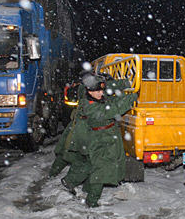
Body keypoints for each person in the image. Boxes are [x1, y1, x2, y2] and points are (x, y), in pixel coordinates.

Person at [51, 72, 138, 207]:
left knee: (90, 165)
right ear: (88, 90)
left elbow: (110, 97)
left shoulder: (96, 96)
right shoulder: (89, 104)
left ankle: (78, 186)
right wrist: (129, 98)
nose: (100, 93)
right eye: (97, 91)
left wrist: (125, 85)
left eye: (101, 90)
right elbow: (110, 110)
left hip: (102, 138)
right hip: (98, 139)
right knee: (100, 169)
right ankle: (91, 200)